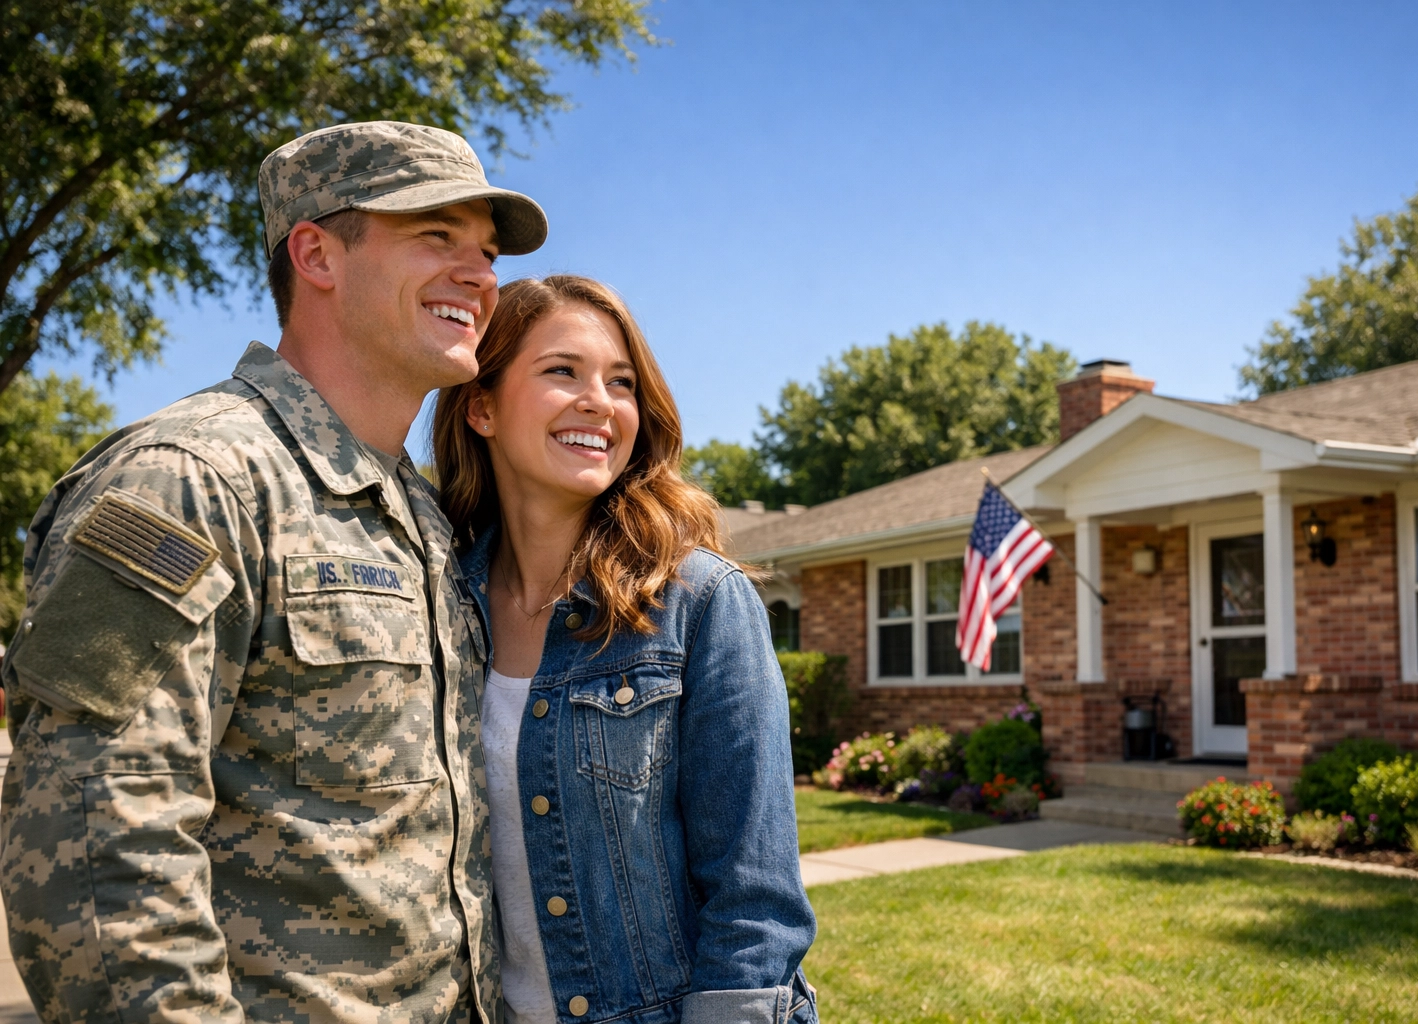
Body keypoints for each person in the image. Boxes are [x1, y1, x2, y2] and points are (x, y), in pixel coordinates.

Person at [0, 120, 547, 1023]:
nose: (481, 277)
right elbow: (97, 836)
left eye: (486, 252)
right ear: (316, 254)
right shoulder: (188, 479)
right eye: (436, 237)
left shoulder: (422, 515)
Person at [432, 276, 818, 1024]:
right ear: (480, 405)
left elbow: (755, 900)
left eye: (621, 383)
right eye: (561, 372)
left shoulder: (701, 603)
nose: (599, 403)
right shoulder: (439, 606)